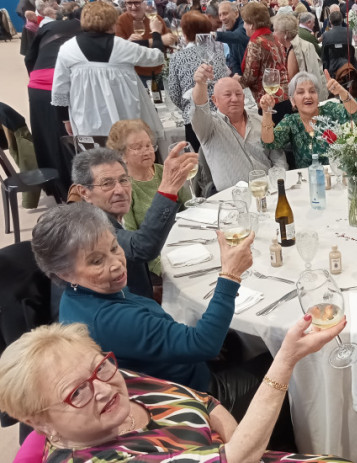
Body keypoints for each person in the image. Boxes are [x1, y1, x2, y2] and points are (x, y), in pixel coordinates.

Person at [29, 201, 295, 447]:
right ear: (64, 273)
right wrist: (230, 275)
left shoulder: (78, 296)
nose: (116, 264)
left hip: (175, 370)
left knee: (236, 339)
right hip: (192, 397)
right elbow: (204, 344)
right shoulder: (107, 319)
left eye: (113, 247)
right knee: (289, 366)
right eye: (96, 261)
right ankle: (282, 443)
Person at [0, 321, 347, 461]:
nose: (103, 389)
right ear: (39, 422)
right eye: (77, 393)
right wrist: (285, 361)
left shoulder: (108, 379)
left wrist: (244, 446)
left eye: (100, 367)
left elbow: (204, 400)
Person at [69, 146, 196, 300]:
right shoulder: (91, 226)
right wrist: (168, 189)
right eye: (107, 184)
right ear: (84, 192)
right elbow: (142, 247)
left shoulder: (110, 214)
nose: (120, 190)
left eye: (123, 180)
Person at [51, 1, 166, 138]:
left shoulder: (68, 48)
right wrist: (156, 33)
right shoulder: (122, 46)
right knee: (127, 151)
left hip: (87, 117)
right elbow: (157, 57)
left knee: (96, 156)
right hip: (125, 114)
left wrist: (66, 120)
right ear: (113, 23)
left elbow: (60, 90)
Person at [106, 120, 192, 278]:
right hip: (156, 259)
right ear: (122, 155)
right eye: (137, 147)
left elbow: (190, 209)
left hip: (187, 244)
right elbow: (135, 243)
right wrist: (163, 271)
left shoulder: (163, 172)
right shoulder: (124, 189)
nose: (146, 151)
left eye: (148, 145)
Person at [192, 68, 287, 191]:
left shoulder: (260, 120)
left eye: (238, 94)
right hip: (234, 199)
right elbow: (199, 109)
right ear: (215, 100)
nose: (235, 99)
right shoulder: (209, 128)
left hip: (270, 191)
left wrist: (276, 183)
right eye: (227, 95)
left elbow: (278, 157)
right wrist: (200, 84)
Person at [24, 6, 80, 195]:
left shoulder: (50, 27)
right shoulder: (91, 33)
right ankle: (76, 189)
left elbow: (29, 58)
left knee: (49, 138)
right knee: (73, 137)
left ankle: (57, 188)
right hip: (64, 85)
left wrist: (36, 78)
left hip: (38, 85)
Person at [261, 71, 357, 168]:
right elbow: (269, 143)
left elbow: (355, 113)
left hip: (336, 177)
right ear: (292, 101)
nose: (308, 96)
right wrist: (267, 111)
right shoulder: (292, 122)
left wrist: (341, 91)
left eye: (312, 91)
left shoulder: (330, 110)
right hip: (307, 181)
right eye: (300, 92)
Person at [167, 11, 229, 152]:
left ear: (184, 32)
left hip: (194, 118)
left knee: (200, 164)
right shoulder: (217, 53)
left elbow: (175, 94)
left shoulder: (177, 57)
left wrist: (188, 105)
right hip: (220, 115)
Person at [115, 0, 176, 87]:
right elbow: (118, 50)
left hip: (158, 71)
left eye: (137, 3)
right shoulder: (121, 21)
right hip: (135, 73)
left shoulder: (156, 19)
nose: (133, 7)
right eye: (129, 3)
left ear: (145, 3)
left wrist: (173, 39)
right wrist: (128, 42)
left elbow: (168, 43)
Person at [240, 2, 289, 106]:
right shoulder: (275, 39)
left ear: (252, 25)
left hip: (267, 100)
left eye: (244, 22)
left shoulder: (256, 43)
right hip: (284, 95)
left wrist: (237, 82)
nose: (243, 26)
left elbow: (250, 78)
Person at [214, 1, 248, 76]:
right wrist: (237, 77)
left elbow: (237, 36)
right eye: (220, 15)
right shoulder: (230, 29)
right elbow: (234, 58)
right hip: (244, 79)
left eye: (225, 13)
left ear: (236, 14)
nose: (222, 18)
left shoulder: (244, 25)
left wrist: (215, 35)